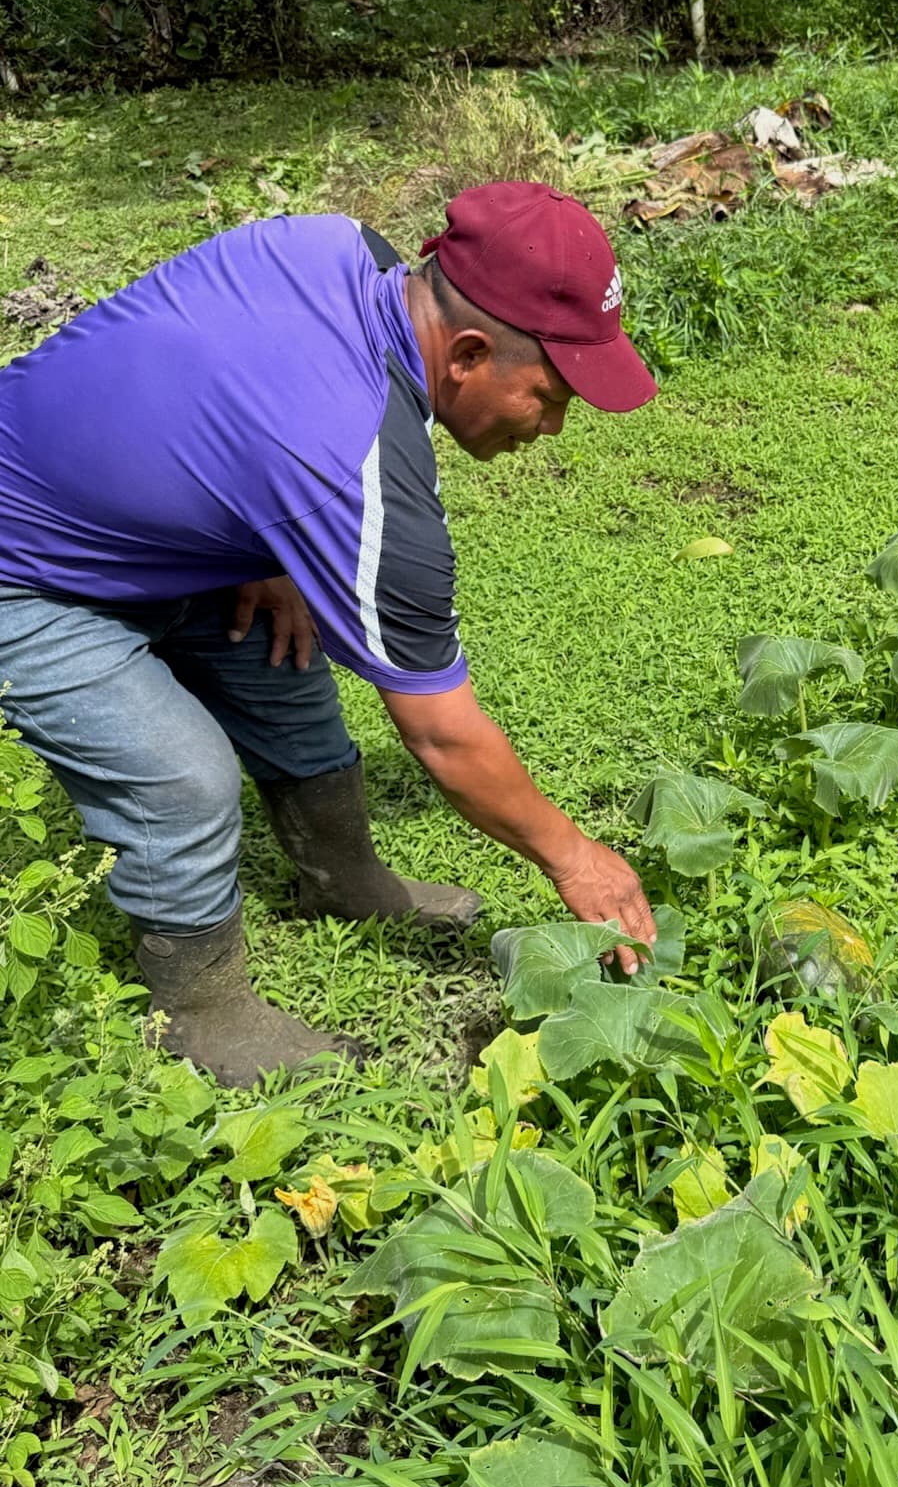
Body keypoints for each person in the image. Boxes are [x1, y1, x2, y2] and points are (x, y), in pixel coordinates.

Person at [0, 181, 659, 1085]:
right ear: (468, 353)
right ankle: (200, 1009)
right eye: (547, 396)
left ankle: (342, 881)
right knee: (181, 779)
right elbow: (440, 731)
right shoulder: (348, 462)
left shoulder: (350, 250)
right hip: (26, 571)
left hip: (131, 521)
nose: (551, 426)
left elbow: (219, 374)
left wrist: (256, 531)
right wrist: (576, 858)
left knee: (286, 656)